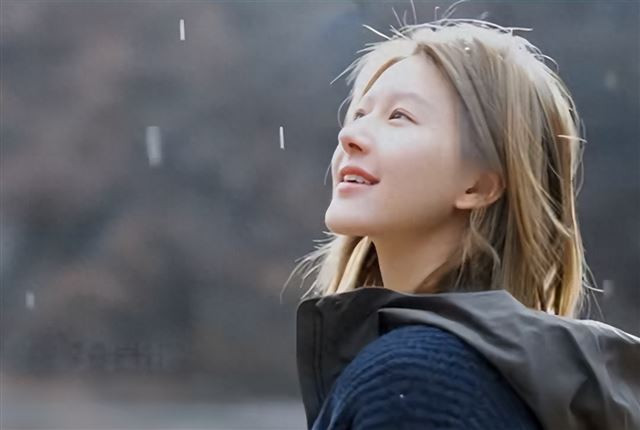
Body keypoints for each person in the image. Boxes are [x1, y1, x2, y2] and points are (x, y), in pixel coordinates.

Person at [286, 9, 640, 430]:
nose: (349, 136)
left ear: (479, 185)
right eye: (360, 114)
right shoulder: (497, 374)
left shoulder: (416, 382)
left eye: (399, 116)